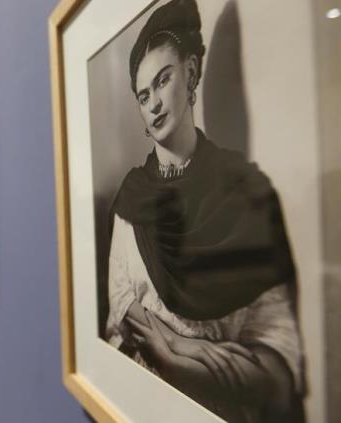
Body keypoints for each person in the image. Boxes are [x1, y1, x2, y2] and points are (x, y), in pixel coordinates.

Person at [103, 1, 304, 421]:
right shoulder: (131, 200)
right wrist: (185, 355)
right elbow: (120, 319)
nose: (154, 104)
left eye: (163, 80)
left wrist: (178, 354)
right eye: (144, 95)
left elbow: (278, 360)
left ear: (191, 72)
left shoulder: (250, 195)